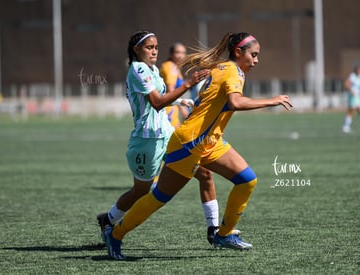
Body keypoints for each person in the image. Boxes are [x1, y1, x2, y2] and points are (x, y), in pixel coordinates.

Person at [104, 32, 293, 260]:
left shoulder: (225, 68)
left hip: (209, 142)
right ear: (238, 53)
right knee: (159, 197)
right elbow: (235, 102)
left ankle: (223, 234)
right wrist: (271, 100)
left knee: (247, 180)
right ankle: (115, 233)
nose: (256, 60)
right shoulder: (231, 71)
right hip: (189, 143)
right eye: (254, 55)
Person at [96, 30, 212, 244]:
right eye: (149, 47)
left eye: (156, 47)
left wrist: (179, 102)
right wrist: (187, 84)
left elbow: (160, 100)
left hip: (167, 133)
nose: (154, 51)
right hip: (147, 141)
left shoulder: (153, 69)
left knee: (204, 173)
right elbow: (157, 102)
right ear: (136, 49)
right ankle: (109, 220)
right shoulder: (138, 69)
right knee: (141, 191)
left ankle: (214, 230)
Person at [160, 42, 231, 243]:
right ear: (171, 53)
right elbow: (168, 92)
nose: (181, 56)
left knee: (204, 175)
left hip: (176, 123)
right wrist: (181, 107)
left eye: (184, 52)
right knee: (150, 192)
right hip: (168, 124)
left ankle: (213, 229)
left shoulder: (174, 69)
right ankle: (114, 223)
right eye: (178, 52)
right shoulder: (168, 69)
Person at [342, 65, 360, 133]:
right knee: (352, 111)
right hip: (352, 96)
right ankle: (346, 127)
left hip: (356, 97)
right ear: (356, 70)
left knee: (359, 111)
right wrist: (351, 91)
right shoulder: (352, 76)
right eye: (359, 70)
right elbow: (346, 84)